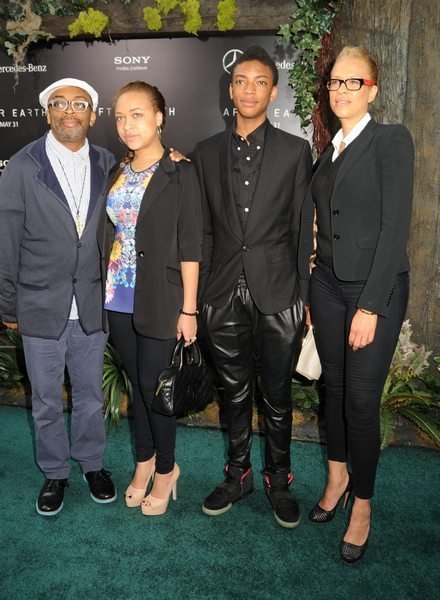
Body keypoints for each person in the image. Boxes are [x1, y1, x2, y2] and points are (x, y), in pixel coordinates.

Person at [193, 46, 313, 527]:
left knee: (277, 396)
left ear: (273, 91)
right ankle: (237, 474)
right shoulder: (205, 152)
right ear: (230, 88)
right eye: (241, 81)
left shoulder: (295, 151)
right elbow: (202, 230)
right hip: (221, 292)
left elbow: (302, 230)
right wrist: (199, 294)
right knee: (234, 393)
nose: (249, 90)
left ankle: (278, 480)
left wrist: (304, 297)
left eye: (260, 82)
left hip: (279, 291)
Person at [307, 47, 414, 563]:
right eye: (335, 82)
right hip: (326, 286)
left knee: (361, 402)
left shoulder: (390, 140)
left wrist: (370, 306)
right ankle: (336, 478)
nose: (341, 90)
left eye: (354, 82)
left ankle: (363, 505)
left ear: (372, 89)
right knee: (333, 390)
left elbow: (395, 229)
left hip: (374, 289)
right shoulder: (327, 151)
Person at [0, 78, 117, 516]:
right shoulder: (22, 166)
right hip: (38, 306)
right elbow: (6, 241)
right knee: (47, 401)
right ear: (47, 113)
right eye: (60, 103)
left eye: (79, 104)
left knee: (89, 396)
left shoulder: (109, 163)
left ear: (93, 114)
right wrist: (7, 304)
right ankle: (54, 471)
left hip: (91, 305)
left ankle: (92, 464)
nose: (70, 111)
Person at [98, 81, 202, 516]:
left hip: (162, 297)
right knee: (137, 387)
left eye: (137, 115)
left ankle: (165, 469)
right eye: (120, 117)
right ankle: (143, 462)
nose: (127, 125)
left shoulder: (181, 172)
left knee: (154, 388)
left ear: (159, 117)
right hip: (117, 297)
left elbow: (191, 245)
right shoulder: (116, 171)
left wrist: (189, 308)